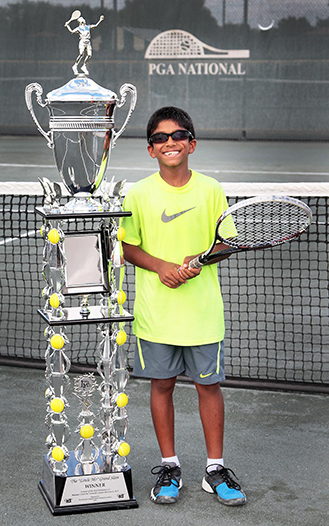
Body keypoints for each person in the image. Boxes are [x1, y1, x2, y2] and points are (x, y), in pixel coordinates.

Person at [121, 106, 246, 506]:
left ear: (191, 144)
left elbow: (226, 241)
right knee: (162, 386)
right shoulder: (138, 193)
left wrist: (199, 257)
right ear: (150, 150)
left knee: (209, 387)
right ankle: (170, 466)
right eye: (160, 137)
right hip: (156, 316)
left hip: (202, 315)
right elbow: (125, 245)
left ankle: (214, 469)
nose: (169, 142)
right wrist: (161, 267)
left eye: (178, 135)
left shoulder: (211, 189)